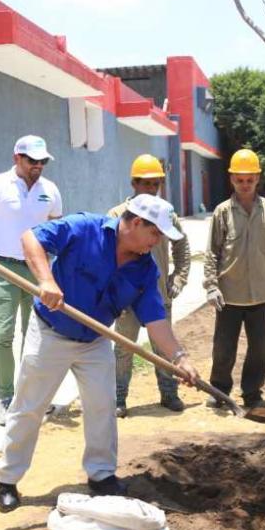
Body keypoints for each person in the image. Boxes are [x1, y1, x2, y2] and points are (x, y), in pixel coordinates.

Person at [0, 195, 199, 512]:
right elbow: (31, 237)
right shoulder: (84, 228)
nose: (157, 242)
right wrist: (46, 280)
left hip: (96, 339)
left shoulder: (145, 269)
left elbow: (156, 321)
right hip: (50, 331)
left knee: (102, 406)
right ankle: (7, 480)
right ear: (136, 223)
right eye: (155, 234)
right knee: (29, 406)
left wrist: (179, 358)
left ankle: (101, 475)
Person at [0, 136, 64, 419]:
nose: (37, 166)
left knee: (37, 336)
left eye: (42, 161)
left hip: (37, 272)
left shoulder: (51, 190)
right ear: (16, 158)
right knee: (3, 335)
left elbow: (57, 231)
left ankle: (32, 398)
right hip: (4, 269)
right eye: (32, 160)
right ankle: (7, 398)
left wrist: (53, 276)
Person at [202, 149, 265, 411]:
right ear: (232, 180)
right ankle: (220, 392)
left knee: (262, 351)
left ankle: (252, 393)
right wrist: (211, 286)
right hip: (229, 295)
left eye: (249, 180)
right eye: (240, 180)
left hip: (259, 294)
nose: (245, 185)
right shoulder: (222, 212)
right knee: (224, 350)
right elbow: (212, 252)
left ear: (257, 179)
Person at [108, 155, 191, 417]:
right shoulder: (117, 215)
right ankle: (118, 398)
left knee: (163, 348)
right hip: (125, 299)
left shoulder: (166, 214)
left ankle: (169, 394)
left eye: (156, 184)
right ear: (134, 183)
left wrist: (179, 277)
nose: (151, 189)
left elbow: (182, 246)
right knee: (123, 348)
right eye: (145, 184)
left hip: (158, 293)